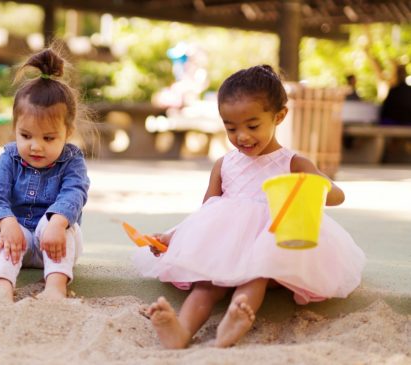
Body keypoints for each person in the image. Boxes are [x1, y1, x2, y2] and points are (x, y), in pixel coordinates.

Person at [133, 65, 366, 349]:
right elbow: (206, 212)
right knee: (206, 283)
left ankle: (235, 321)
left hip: (272, 242)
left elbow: (337, 196)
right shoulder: (225, 164)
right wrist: (174, 237)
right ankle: (181, 330)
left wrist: (311, 183)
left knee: (256, 275)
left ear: (279, 116)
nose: (241, 136)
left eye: (252, 126)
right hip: (225, 245)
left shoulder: (293, 163)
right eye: (231, 128)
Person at [0, 48, 90, 301]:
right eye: (26, 136)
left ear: (68, 132)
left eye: (48, 138)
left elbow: (75, 193)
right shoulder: (10, 157)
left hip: (57, 240)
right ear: (15, 128)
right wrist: (6, 223)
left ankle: (55, 288)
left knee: (61, 224)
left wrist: (57, 222)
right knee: (0, 234)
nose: (36, 146)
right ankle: (1, 288)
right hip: (18, 241)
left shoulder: (72, 160)